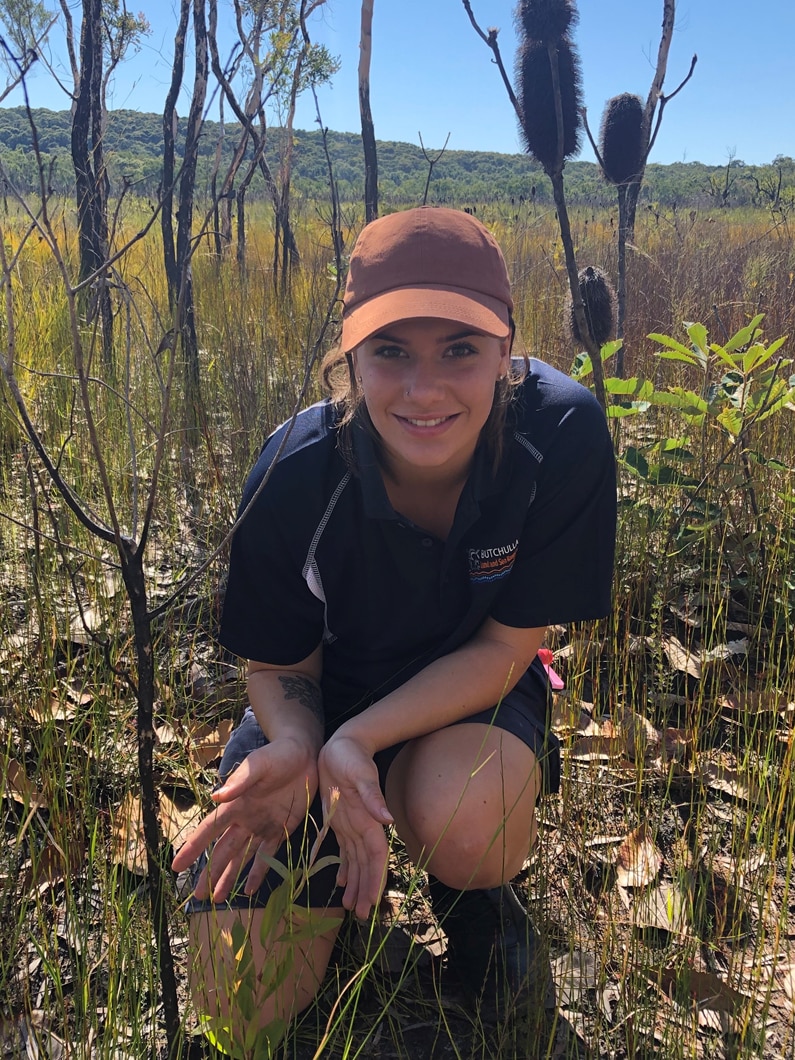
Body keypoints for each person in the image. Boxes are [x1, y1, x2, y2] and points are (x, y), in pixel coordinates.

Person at [172, 206, 616, 1045]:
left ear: (504, 351)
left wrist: (360, 745)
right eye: (390, 352)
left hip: (465, 705)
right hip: (322, 707)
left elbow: (504, 646)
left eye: (459, 349)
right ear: (349, 357)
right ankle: (332, 899)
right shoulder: (294, 475)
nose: (423, 389)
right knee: (239, 1009)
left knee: (464, 813)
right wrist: (304, 746)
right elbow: (277, 665)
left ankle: (475, 900)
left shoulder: (560, 435)